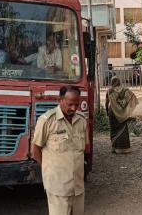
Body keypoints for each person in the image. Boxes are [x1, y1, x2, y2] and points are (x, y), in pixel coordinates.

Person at [32, 85, 88, 215]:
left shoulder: (81, 120)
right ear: (60, 100)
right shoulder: (47, 121)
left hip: (78, 185)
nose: (73, 108)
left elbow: (84, 148)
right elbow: (35, 150)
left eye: (76, 104)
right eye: (69, 104)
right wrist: (48, 170)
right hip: (58, 185)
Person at [105, 76, 138, 154]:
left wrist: (107, 111)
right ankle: (124, 149)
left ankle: (115, 148)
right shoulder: (124, 90)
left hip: (112, 112)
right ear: (119, 82)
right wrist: (125, 107)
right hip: (122, 113)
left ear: (112, 82)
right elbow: (131, 97)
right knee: (123, 129)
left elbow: (106, 103)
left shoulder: (109, 91)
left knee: (114, 130)